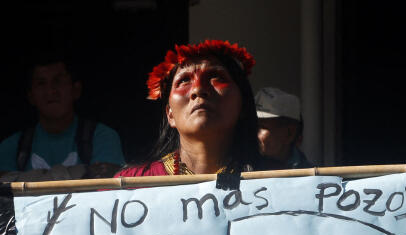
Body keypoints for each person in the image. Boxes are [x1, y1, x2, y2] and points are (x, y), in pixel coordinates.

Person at [115, 40, 274, 177]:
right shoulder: (129, 186)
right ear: (170, 114)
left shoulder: (284, 182)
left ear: (244, 105)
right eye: (184, 80)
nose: (198, 89)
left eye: (215, 76)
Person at [0, 54, 125, 181]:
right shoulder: (11, 147)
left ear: (76, 90)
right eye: (41, 83)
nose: (50, 91)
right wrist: (84, 172)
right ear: (31, 96)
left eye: (58, 81)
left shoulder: (103, 137)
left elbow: (108, 190)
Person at [255, 87, 313, 169]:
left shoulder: (312, 179)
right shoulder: (238, 170)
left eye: (261, 127)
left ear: (289, 134)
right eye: (251, 126)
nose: (251, 133)